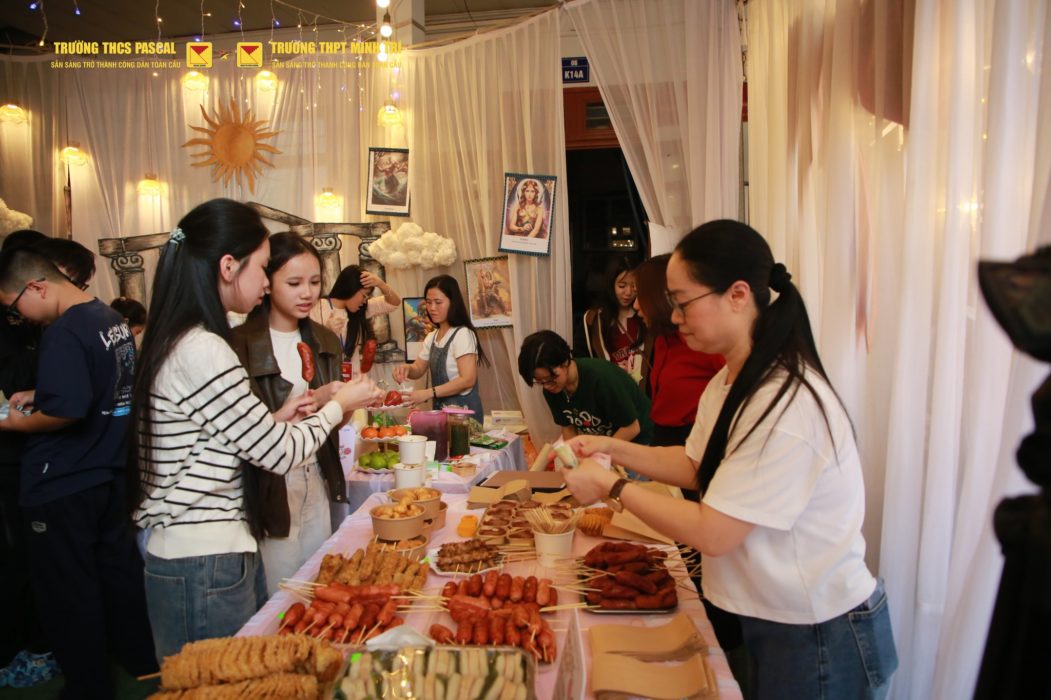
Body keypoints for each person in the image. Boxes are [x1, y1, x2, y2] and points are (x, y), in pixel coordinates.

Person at [561, 220, 898, 699]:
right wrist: (609, 447)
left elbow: (713, 532)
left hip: (819, 630)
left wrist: (612, 486)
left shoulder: (783, 402)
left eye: (683, 301)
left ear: (738, 295)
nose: (674, 316)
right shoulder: (727, 382)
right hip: (775, 618)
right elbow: (694, 465)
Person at [128, 199, 382, 660]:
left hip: (198, 552)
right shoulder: (206, 349)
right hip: (203, 556)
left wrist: (275, 418)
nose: (266, 282)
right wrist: (337, 405)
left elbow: (211, 439)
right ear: (229, 266)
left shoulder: (182, 339)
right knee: (221, 682)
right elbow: (278, 455)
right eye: (264, 268)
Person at [0, 246, 158, 698]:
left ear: (36, 287)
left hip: (62, 478)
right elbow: (100, 382)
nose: (19, 317)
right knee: (117, 572)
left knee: (67, 591)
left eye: (15, 306)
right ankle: (142, 662)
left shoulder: (63, 331)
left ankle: (88, 687)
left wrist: (11, 422)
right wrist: (41, 392)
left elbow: (67, 411)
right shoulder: (108, 318)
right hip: (107, 469)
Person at [229, 232, 348, 595]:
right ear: (267, 282)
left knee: (318, 583)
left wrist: (342, 402)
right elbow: (242, 431)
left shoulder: (326, 341)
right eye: (294, 283)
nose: (307, 293)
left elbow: (335, 423)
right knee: (280, 592)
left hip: (318, 471)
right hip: (271, 483)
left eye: (314, 282)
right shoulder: (239, 344)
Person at [0, 230, 57, 690]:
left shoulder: (64, 324)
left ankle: (38, 647)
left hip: (31, 455)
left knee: (32, 556)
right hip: (17, 454)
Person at [633, 254, 725, 447]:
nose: (635, 305)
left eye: (640, 296)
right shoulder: (662, 339)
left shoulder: (703, 342)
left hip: (694, 442)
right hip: (663, 438)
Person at [518, 330, 653, 446]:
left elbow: (632, 427)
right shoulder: (553, 389)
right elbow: (568, 427)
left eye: (550, 379)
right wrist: (573, 457)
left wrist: (599, 453)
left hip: (641, 439)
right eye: (540, 382)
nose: (547, 386)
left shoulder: (601, 379)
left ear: (565, 361)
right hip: (610, 443)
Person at [392, 274, 487, 418]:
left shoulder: (463, 334)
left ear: (453, 303)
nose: (432, 308)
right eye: (428, 302)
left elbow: (468, 380)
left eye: (438, 302)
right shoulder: (432, 336)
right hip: (442, 415)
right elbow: (418, 369)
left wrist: (428, 393)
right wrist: (406, 369)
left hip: (464, 418)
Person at [310, 265, 400, 377]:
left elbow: (394, 303)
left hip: (353, 381)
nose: (364, 301)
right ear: (351, 288)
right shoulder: (316, 307)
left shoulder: (360, 310)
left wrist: (380, 283)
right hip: (327, 380)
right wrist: (325, 331)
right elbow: (306, 346)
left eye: (367, 297)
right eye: (364, 295)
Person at [582, 255, 645, 383]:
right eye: (622, 286)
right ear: (611, 285)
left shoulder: (645, 316)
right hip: (609, 388)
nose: (628, 292)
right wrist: (612, 370)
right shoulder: (594, 319)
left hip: (638, 389)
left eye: (634, 286)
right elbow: (584, 362)